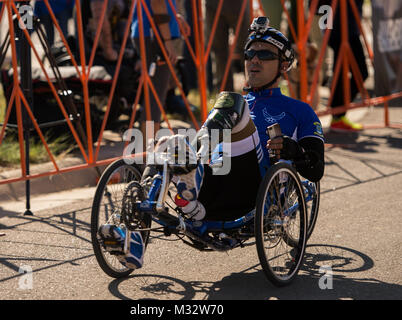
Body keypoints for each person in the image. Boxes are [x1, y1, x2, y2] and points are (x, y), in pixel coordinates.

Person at [97, 17, 325, 269]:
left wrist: (295, 151)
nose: (254, 59)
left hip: (256, 188)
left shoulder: (299, 110)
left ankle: (191, 169)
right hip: (214, 188)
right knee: (166, 143)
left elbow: (316, 169)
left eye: (265, 54)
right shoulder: (236, 106)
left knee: (230, 102)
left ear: (283, 65)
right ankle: (135, 238)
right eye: (250, 53)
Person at [131, 0, 190, 145]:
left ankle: (147, 151)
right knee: (155, 99)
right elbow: (157, 3)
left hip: (149, 30)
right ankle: (148, 155)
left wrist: (174, 17)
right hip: (153, 34)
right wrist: (167, 40)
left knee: (155, 97)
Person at [325, 0, 368, 132]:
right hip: (341, 25)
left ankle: (338, 113)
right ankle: (337, 114)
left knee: (345, 72)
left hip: (342, 24)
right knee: (358, 72)